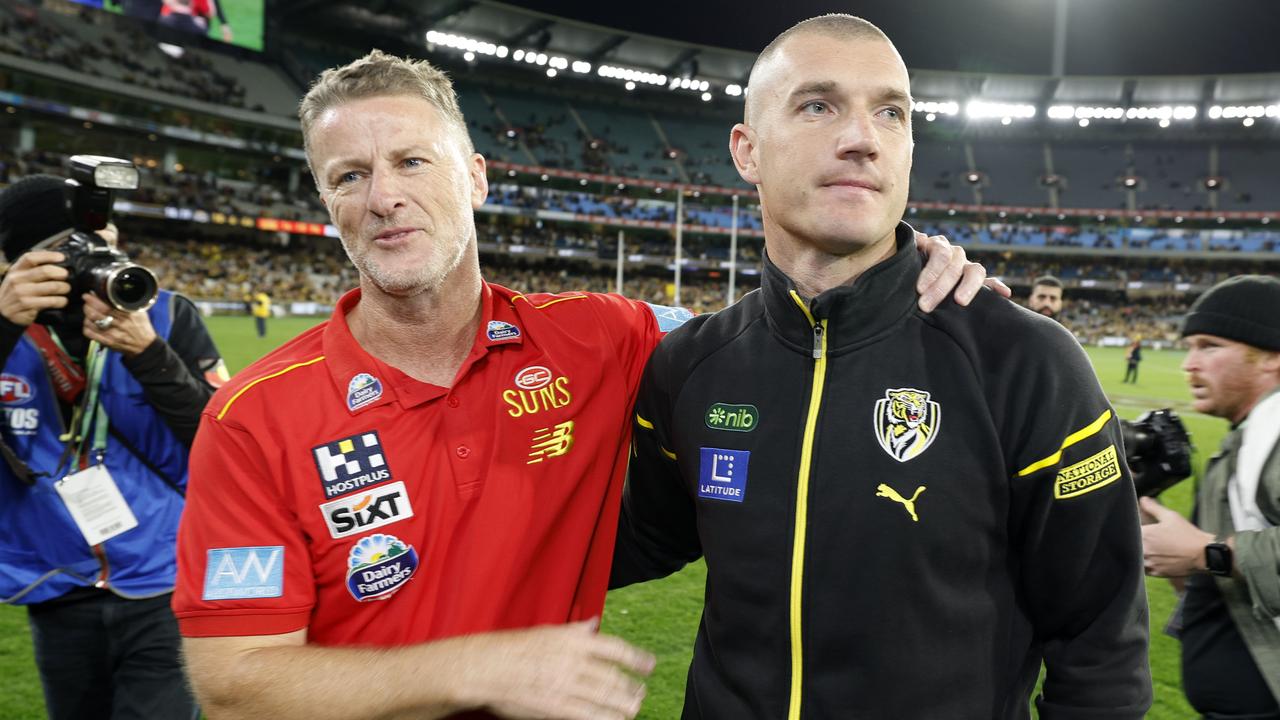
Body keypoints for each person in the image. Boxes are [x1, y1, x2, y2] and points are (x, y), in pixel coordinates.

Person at [171, 49, 1000, 720]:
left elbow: (780, 333)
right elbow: (236, 682)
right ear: (326, 202)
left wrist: (901, 268)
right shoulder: (254, 417)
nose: (384, 197)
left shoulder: (600, 337)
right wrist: (479, 667)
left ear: (476, 179)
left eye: (413, 162)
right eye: (349, 176)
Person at [610, 14, 1151, 719]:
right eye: (817, 105)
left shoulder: (1023, 361)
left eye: (890, 113)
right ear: (747, 151)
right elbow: (642, 537)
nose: (862, 138)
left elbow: (1100, 646)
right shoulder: (690, 365)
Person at [0, 174, 228, 720]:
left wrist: (151, 355)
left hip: (166, 577)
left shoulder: (168, 316)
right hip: (57, 580)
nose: (93, 263)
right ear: (16, 263)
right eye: (69, 252)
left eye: (103, 244)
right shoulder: (6, 327)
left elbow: (226, 443)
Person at [1140, 275, 1280, 718]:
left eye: (1209, 346)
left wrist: (1208, 553)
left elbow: (1214, 557)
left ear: (1271, 357)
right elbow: (1214, 579)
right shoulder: (1244, 440)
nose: (1189, 364)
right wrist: (1146, 506)